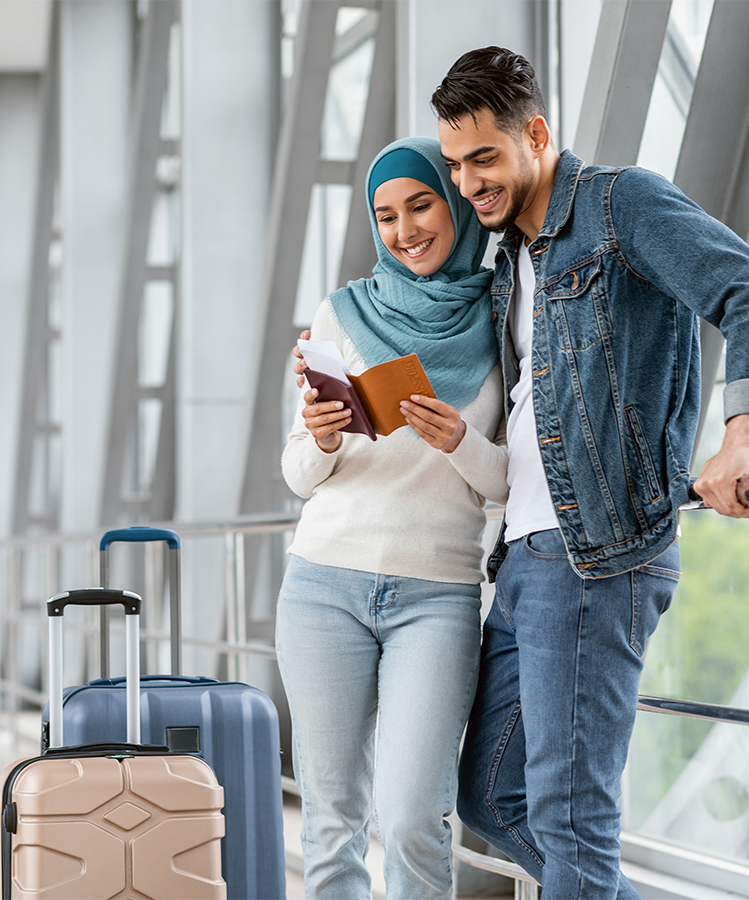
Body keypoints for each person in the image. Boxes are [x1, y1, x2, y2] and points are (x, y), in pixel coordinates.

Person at [432, 48, 749, 898]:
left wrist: (740, 439)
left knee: (570, 818)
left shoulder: (617, 205)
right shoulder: (508, 263)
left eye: (483, 157)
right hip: (523, 558)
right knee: (489, 794)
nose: (467, 182)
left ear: (536, 134)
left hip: (597, 557)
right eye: (455, 164)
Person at [274, 135, 507, 899]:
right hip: (323, 585)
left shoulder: (505, 320)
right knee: (332, 821)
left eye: (420, 204)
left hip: (435, 596)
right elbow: (298, 476)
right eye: (387, 214)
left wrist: (461, 441)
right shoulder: (340, 312)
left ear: (455, 205)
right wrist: (320, 438)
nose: (405, 229)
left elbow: (512, 484)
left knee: (411, 816)